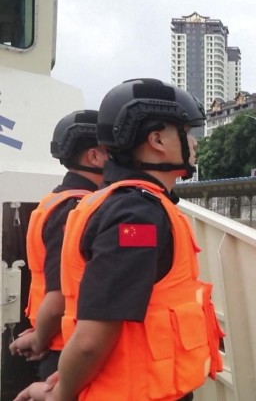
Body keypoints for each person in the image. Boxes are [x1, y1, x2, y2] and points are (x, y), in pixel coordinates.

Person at [16, 79, 224, 401]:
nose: (194, 143)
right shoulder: (136, 217)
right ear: (157, 140)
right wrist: (59, 394)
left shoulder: (121, 204)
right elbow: (91, 339)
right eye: (185, 132)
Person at [9, 111, 107, 382]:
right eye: (113, 152)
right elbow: (60, 296)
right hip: (67, 348)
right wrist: (40, 338)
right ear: (94, 157)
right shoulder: (77, 210)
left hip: (58, 340)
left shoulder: (54, 201)